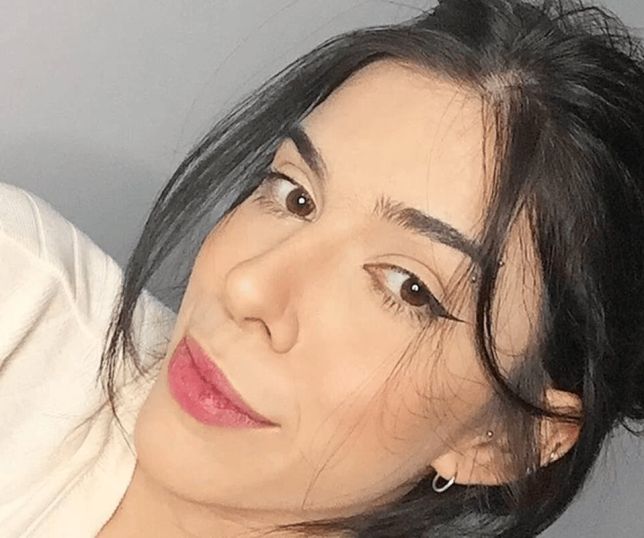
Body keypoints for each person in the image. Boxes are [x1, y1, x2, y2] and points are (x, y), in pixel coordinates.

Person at [2, 0, 644, 536]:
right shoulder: (21, 304)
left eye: (408, 287)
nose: (248, 286)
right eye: (294, 196)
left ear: (499, 441)